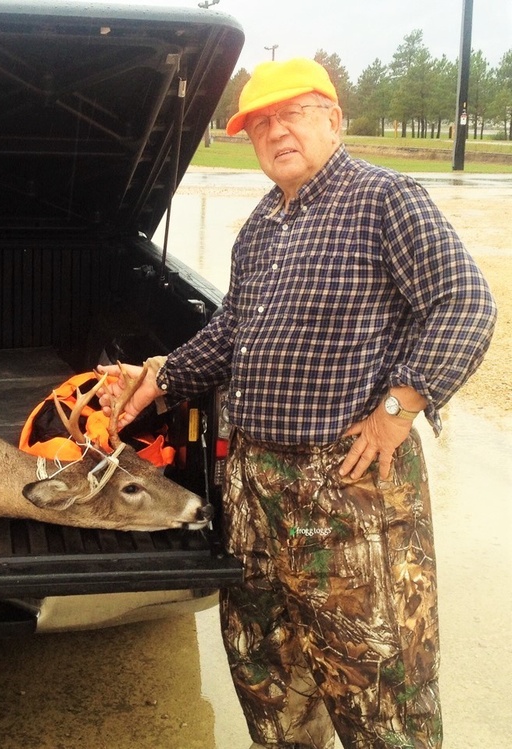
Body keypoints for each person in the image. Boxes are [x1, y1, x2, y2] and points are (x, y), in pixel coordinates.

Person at [98, 58, 497, 749]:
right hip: (257, 497)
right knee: (269, 676)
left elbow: (465, 302)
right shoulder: (261, 226)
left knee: (381, 697)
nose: (275, 132)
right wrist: (158, 377)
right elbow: (233, 333)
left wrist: (397, 410)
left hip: (347, 499)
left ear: (333, 121)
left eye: (293, 115)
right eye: (260, 125)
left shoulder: (385, 200)